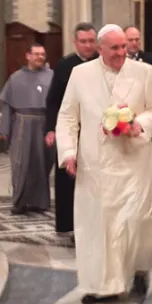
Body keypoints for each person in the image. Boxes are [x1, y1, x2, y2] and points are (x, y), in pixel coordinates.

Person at [55, 23, 152, 304]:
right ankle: (99, 285)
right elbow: (68, 116)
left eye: (123, 47)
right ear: (99, 48)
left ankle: (139, 268)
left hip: (134, 160)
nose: (120, 52)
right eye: (114, 47)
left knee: (135, 220)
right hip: (95, 163)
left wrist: (137, 125)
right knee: (97, 226)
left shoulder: (143, 72)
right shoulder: (80, 74)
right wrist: (68, 152)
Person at [45, 22, 99, 236]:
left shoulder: (102, 63)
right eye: (83, 41)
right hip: (69, 129)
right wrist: (50, 128)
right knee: (66, 177)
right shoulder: (65, 65)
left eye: (91, 41)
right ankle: (66, 223)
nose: (88, 45)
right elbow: (53, 100)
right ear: (75, 42)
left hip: (95, 130)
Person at [0, 43, 55, 215]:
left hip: (44, 124)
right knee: (20, 164)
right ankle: (19, 201)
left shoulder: (52, 76)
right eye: (36, 54)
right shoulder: (16, 78)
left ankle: (40, 202)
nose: (40, 57)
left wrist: (54, 128)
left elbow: (58, 104)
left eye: (42, 54)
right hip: (21, 125)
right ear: (27, 56)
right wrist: (4, 128)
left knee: (42, 164)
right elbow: (7, 105)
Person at [124, 26, 152, 101]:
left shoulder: (151, 60)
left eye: (137, 39)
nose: (134, 43)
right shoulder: (117, 60)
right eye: (130, 40)